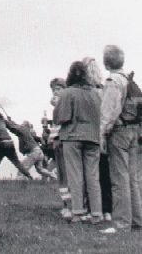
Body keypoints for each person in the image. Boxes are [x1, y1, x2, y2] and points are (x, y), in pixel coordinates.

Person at [98, 45, 142, 233]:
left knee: (119, 178)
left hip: (120, 132)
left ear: (106, 62)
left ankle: (122, 223)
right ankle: (137, 220)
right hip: (135, 131)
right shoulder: (130, 81)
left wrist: (102, 133)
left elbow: (109, 112)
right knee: (133, 178)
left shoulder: (113, 81)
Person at [53, 61, 103, 224]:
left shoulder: (68, 93)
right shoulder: (96, 93)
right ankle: (96, 213)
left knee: (75, 176)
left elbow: (60, 117)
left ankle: (78, 212)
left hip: (72, 137)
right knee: (93, 176)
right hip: (93, 137)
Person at [83, 57, 113, 222]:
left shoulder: (86, 92)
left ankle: (92, 208)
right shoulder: (103, 90)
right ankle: (108, 210)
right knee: (105, 173)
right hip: (104, 135)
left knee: (90, 175)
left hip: (89, 135)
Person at [45, 77, 72, 219]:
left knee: (66, 175)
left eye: (58, 89)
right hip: (57, 141)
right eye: (53, 89)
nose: (55, 92)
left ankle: (69, 206)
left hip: (63, 140)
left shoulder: (63, 103)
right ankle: (66, 204)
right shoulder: (58, 105)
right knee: (62, 175)